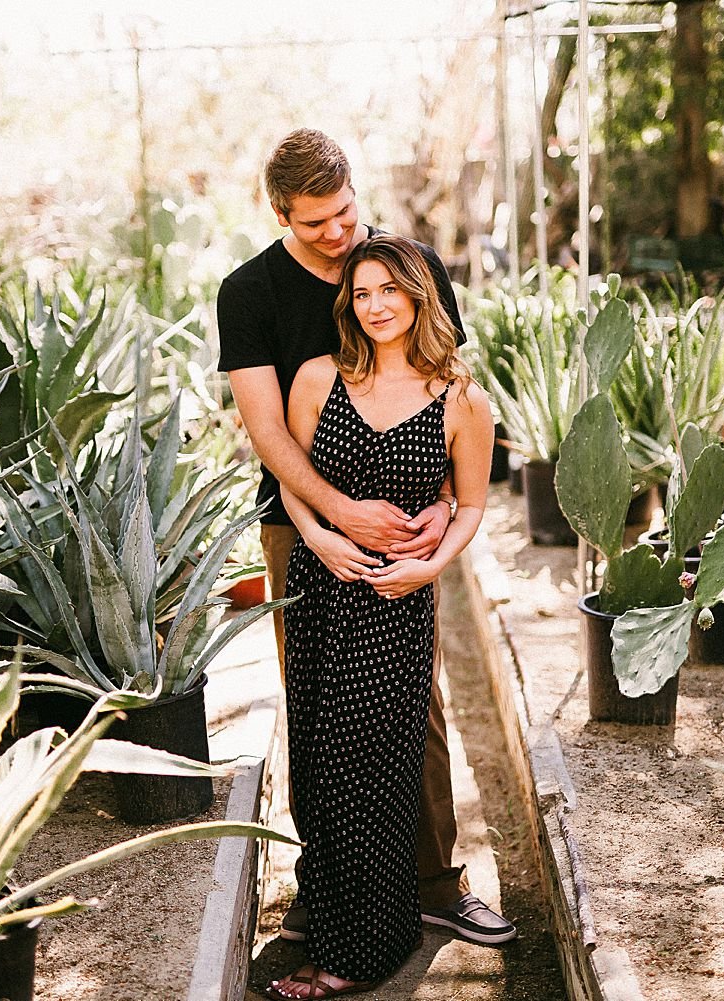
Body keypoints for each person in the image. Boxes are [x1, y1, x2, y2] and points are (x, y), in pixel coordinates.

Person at [216, 128, 515, 946]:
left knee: (416, 705)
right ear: (280, 212)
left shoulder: (405, 266)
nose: (339, 233)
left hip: (408, 524)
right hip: (300, 524)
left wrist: (446, 507)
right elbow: (270, 434)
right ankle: (330, 883)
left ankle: (431, 879)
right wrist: (336, 516)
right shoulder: (249, 293)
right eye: (316, 223)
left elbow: (446, 387)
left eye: (345, 211)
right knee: (315, 701)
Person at [267, 234, 494, 998]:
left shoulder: (460, 398)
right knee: (322, 762)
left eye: (390, 290)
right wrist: (321, 538)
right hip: (321, 588)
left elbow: (471, 506)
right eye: (362, 294)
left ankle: (353, 953)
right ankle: (360, 926)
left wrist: (432, 564)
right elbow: (290, 477)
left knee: (379, 768)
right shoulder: (317, 377)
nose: (376, 305)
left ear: (420, 295)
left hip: (397, 603)